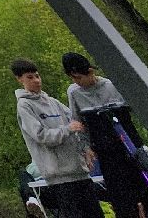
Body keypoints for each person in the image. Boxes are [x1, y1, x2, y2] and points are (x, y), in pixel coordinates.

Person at [62, 51, 148, 218]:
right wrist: (86, 147)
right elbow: (79, 124)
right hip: (106, 153)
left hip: (129, 148)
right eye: (73, 78)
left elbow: (132, 115)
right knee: (121, 199)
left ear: (90, 72)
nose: (77, 82)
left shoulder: (112, 86)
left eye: (79, 77)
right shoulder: (74, 92)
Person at [11, 58, 102, 218]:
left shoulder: (53, 102)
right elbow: (42, 136)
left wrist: (86, 148)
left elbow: (77, 123)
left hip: (80, 172)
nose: (36, 81)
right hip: (60, 178)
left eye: (37, 76)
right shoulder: (24, 106)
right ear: (20, 80)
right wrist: (67, 129)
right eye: (30, 77)